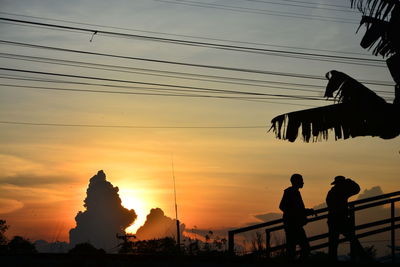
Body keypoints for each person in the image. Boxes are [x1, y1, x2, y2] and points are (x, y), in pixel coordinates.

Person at [326, 176, 367, 261]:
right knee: (353, 239)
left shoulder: (331, 192)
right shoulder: (343, 191)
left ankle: (332, 261)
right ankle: (364, 258)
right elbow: (357, 189)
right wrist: (350, 181)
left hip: (332, 220)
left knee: (333, 244)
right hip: (341, 220)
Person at [279, 173, 315, 261]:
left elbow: (296, 209)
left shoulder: (294, 192)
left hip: (293, 224)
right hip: (293, 225)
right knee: (304, 247)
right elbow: (283, 206)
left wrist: (306, 211)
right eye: (301, 180)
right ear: (296, 182)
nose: (303, 182)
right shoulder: (291, 192)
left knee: (293, 248)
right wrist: (297, 214)